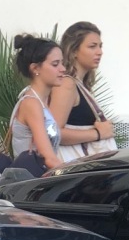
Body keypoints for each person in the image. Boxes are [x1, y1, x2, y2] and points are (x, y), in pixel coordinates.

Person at [50, 21, 115, 163]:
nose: (99, 52)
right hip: (72, 167)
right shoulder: (67, 84)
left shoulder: (78, 84)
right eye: (92, 46)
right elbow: (54, 133)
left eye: (100, 46)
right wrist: (98, 133)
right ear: (73, 51)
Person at [8, 34, 64, 175]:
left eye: (62, 63)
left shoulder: (40, 101)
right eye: (55, 64)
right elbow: (48, 158)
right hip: (31, 184)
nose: (63, 69)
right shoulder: (31, 103)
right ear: (35, 68)